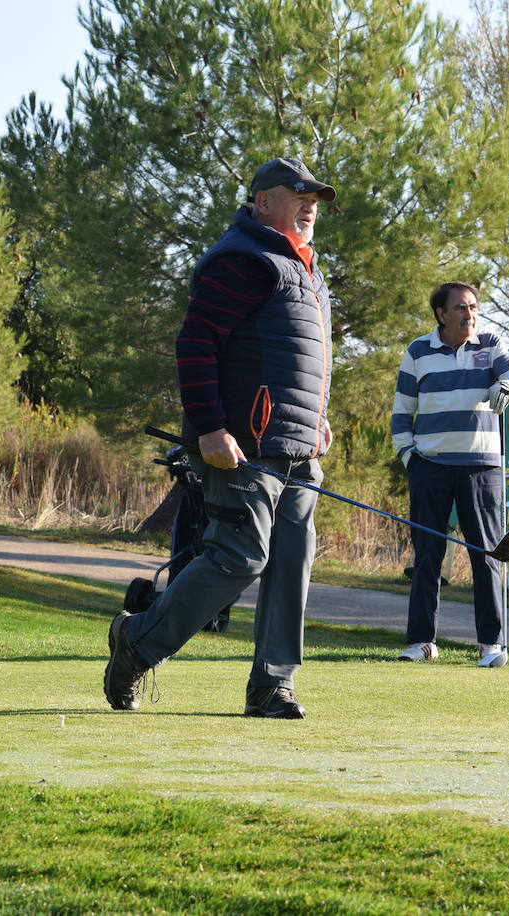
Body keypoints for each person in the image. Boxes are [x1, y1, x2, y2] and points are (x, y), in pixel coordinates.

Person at [104, 157, 336, 719]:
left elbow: (302, 358)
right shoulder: (244, 259)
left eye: (315, 198)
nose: (310, 205)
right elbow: (196, 344)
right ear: (262, 202)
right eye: (297, 194)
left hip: (297, 450)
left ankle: (272, 686)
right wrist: (209, 427)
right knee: (240, 556)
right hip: (244, 447)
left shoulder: (304, 269)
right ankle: (137, 642)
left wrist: (316, 418)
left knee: (291, 560)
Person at [390, 282, 509, 666]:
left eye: (473, 307)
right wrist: (410, 458)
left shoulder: (491, 344)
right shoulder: (418, 351)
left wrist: (508, 388)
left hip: (481, 468)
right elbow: (402, 414)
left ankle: (491, 644)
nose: (470, 314)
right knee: (427, 557)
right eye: (461, 308)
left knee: (487, 556)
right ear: (441, 314)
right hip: (430, 468)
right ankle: (422, 642)